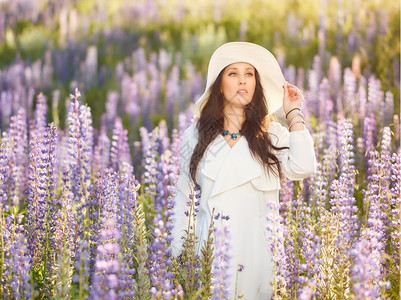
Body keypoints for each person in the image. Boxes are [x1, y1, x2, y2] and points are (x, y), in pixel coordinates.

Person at [171, 41, 316, 299]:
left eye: (249, 74)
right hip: (210, 258)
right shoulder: (195, 136)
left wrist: (293, 113)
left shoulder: (271, 134)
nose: (242, 81)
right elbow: (184, 198)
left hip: (258, 257)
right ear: (219, 84)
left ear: (255, 84)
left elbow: (303, 167)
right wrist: (180, 255)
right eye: (233, 73)